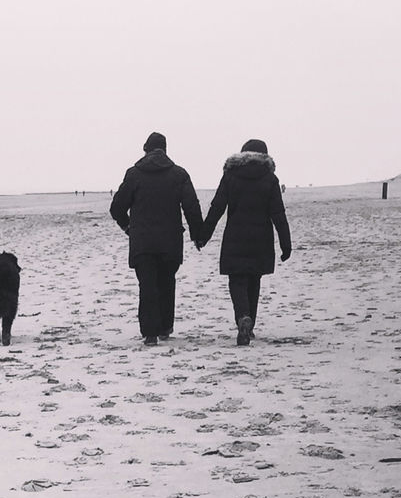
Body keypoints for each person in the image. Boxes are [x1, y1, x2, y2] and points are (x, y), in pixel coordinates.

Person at [110, 132, 204, 344]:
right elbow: (191, 207)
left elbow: (116, 208)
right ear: (165, 149)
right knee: (167, 282)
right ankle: (165, 327)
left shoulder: (134, 174)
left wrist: (128, 227)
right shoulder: (179, 174)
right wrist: (198, 235)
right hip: (170, 241)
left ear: (145, 149)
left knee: (147, 285)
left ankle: (150, 333)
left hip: (142, 240)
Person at [200, 138, 291, 344]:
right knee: (254, 280)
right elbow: (278, 214)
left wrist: (203, 235)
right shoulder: (270, 179)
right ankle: (249, 328)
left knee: (237, 280)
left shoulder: (231, 176)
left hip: (235, 237)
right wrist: (286, 244)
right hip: (261, 239)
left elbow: (217, 208)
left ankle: (242, 316)